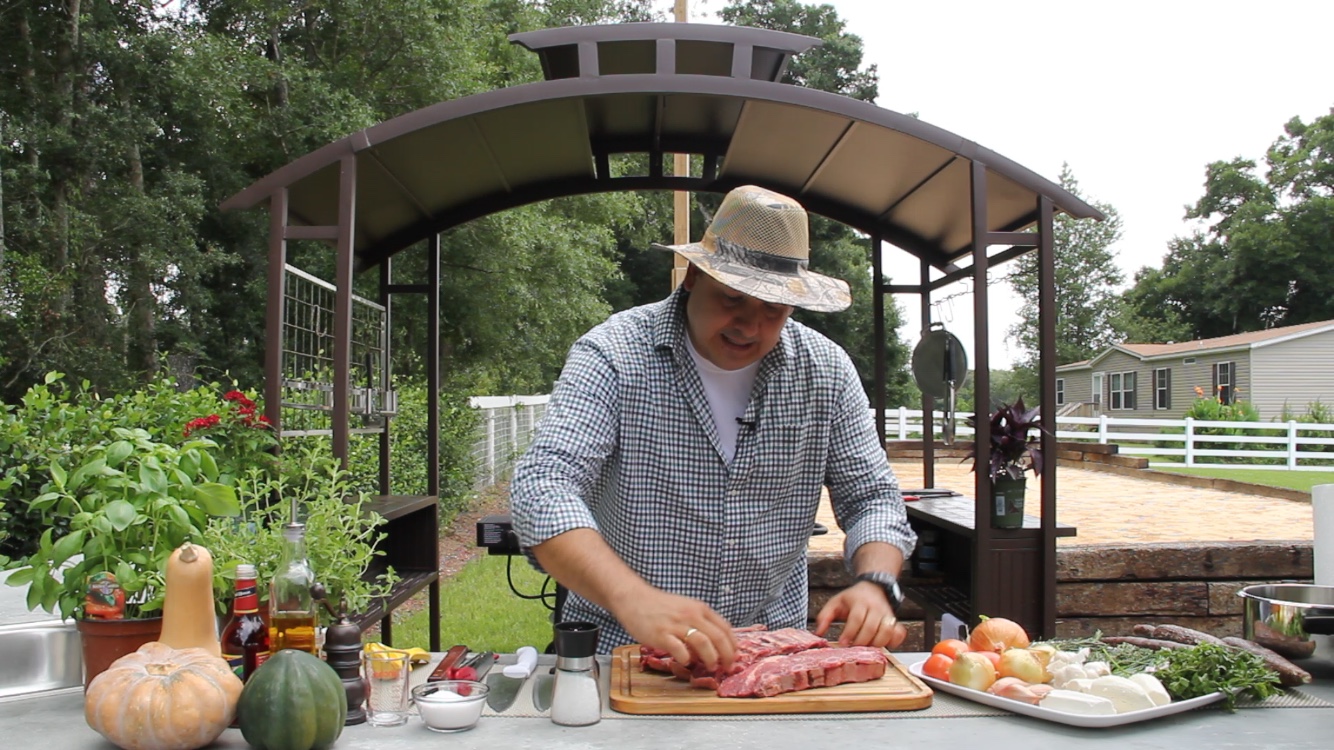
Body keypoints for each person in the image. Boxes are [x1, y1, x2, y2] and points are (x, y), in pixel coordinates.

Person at [509, 184, 916, 672]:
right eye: (732, 298)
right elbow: (543, 486)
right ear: (693, 277)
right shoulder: (614, 354)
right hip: (621, 648)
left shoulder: (825, 372)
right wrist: (632, 597)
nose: (749, 325)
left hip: (769, 653)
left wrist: (876, 581)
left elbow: (872, 496)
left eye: (773, 309)